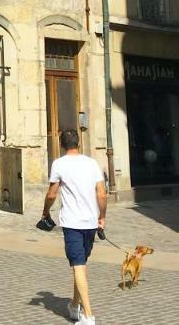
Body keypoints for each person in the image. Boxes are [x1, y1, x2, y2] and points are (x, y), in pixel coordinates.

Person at [42, 128, 107, 325]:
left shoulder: (59, 164)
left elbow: (52, 194)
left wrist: (45, 211)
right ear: (78, 142)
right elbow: (102, 194)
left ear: (61, 144)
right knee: (81, 265)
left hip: (71, 222)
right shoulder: (92, 163)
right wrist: (102, 217)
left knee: (78, 266)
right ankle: (74, 305)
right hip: (90, 222)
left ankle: (88, 316)